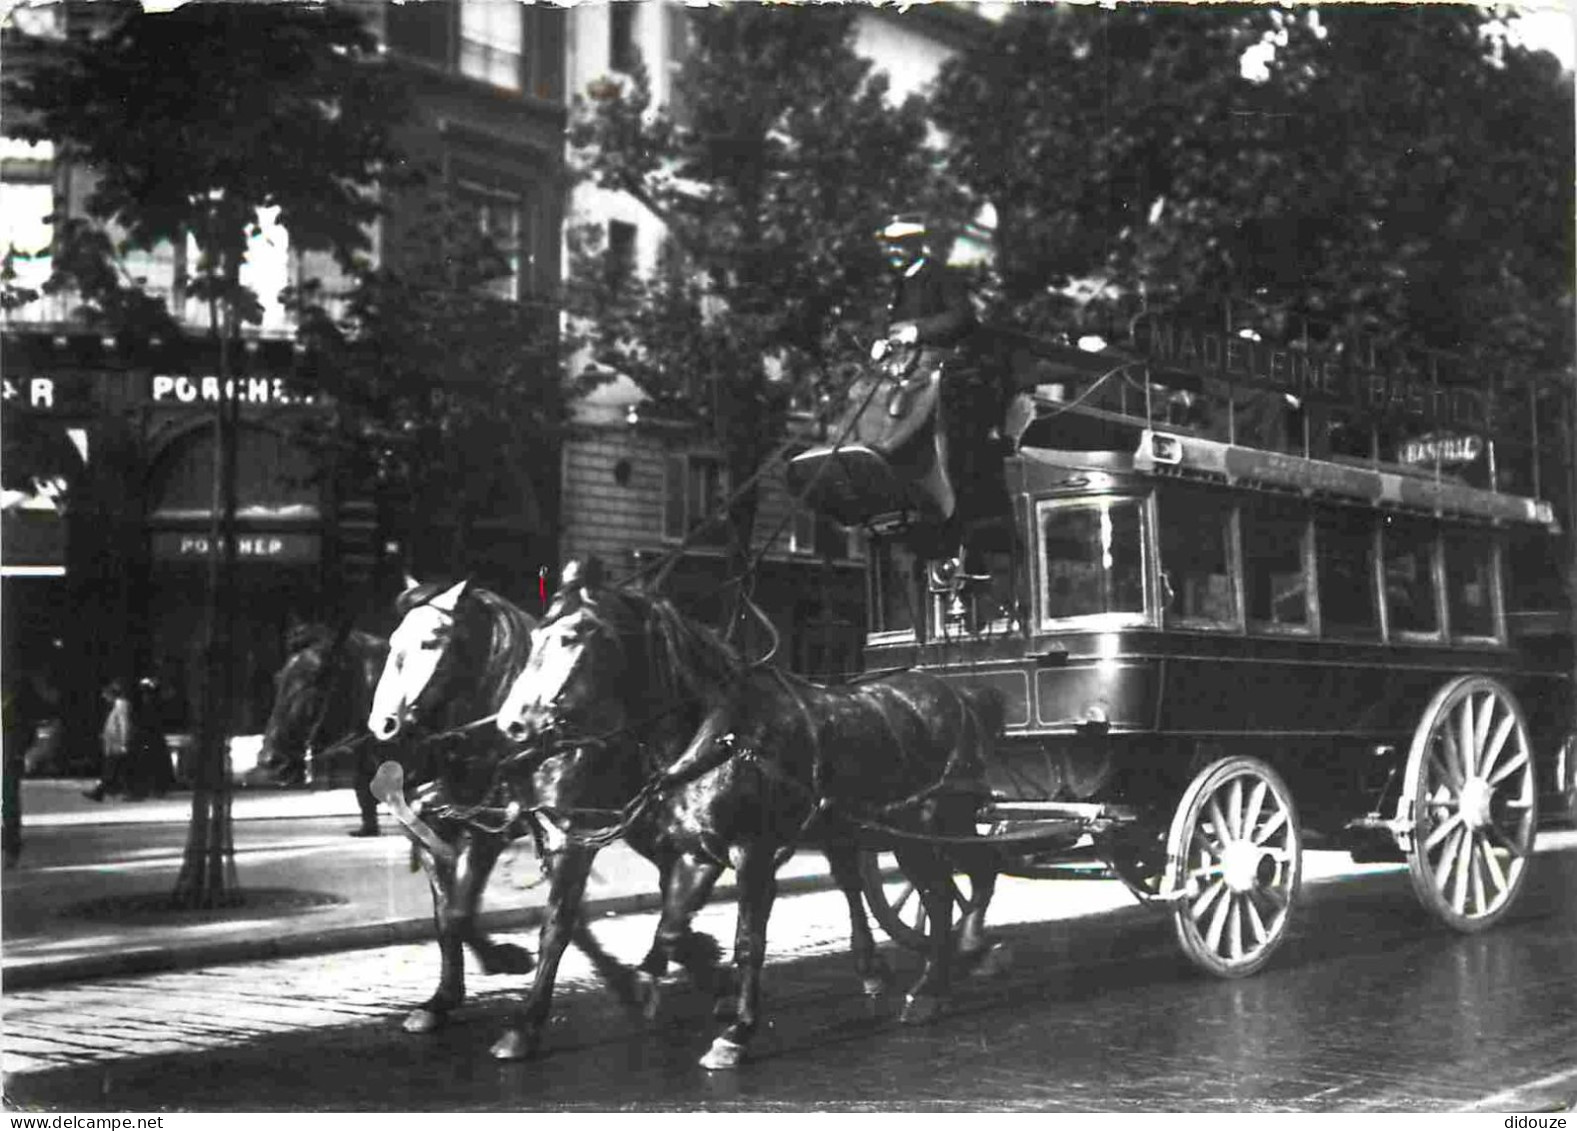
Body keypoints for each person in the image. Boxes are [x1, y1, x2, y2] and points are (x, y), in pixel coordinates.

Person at [3, 668, 52, 868]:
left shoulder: (18, 704)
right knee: (9, 804)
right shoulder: (16, 702)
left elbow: (43, 728)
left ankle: (11, 850)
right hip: (10, 757)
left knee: (9, 804)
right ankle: (11, 849)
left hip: (9, 758)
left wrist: (31, 754)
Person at [83, 679, 134, 802]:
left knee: (111, 770)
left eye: (106, 694)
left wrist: (124, 742)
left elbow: (123, 724)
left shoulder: (121, 705)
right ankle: (105, 792)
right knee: (114, 770)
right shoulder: (117, 705)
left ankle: (100, 792)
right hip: (113, 744)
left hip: (117, 744)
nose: (104, 697)